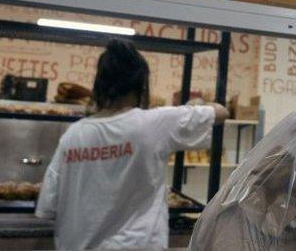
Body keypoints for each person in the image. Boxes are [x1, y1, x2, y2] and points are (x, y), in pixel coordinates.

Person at [36, 39, 228, 250]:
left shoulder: (73, 135)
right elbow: (221, 112)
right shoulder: (154, 123)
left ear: (100, 85)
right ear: (140, 85)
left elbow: (48, 206)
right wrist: (196, 106)